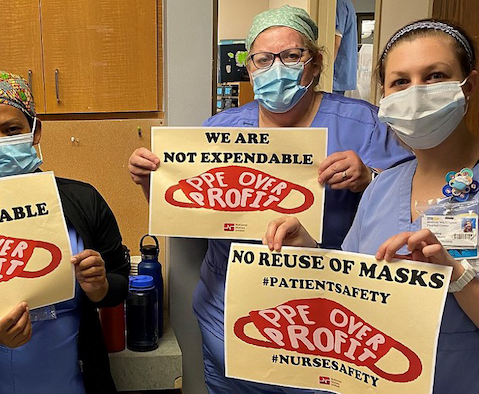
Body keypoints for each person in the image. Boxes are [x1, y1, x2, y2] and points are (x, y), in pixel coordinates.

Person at [128, 5, 411, 393]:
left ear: (315, 63)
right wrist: (151, 182)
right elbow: (185, 214)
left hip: (327, 329)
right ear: (250, 68)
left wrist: (370, 178)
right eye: (263, 59)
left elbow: (413, 209)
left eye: (292, 55)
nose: (277, 67)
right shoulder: (220, 130)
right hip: (228, 315)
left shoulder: (364, 126)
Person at [264, 19, 479, 394]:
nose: (417, 93)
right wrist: (309, 249)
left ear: (468, 86)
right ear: (385, 97)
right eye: (400, 82)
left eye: (435, 76)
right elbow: (354, 280)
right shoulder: (383, 187)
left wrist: (458, 276)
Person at [0, 71, 129, 394]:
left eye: (12, 130)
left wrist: (100, 285)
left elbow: (120, 282)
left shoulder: (82, 200)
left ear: (35, 131)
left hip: (73, 381)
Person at [333, 0, 358, 95]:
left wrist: (324, 73)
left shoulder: (339, 3)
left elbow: (335, 42)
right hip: (341, 74)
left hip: (335, 74)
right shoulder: (347, 4)